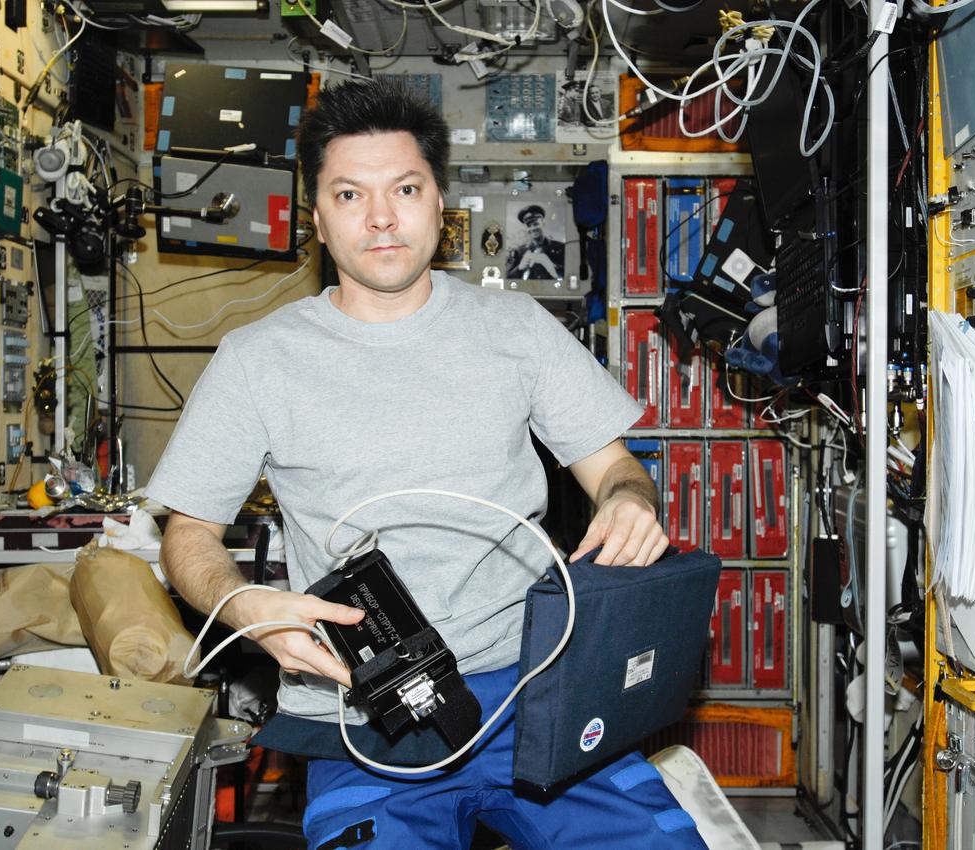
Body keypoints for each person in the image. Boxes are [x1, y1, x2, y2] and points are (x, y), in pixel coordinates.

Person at [147, 80, 704, 850]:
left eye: (404, 189)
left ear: (439, 204)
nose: (381, 217)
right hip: (364, 709)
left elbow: (615, 469)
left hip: (533, 687)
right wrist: (244, 608)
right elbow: (187, 535)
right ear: (317, 218)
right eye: (350, 194)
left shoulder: (517, 330)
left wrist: (629, 501)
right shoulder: (257, 360)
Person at [505, 204, 566, 280]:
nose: (532, 228)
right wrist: (519, 268)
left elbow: (571, 275)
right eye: (528, 226)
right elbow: (507, 278)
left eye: (536, 224)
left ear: (543, 223)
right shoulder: (519, 251)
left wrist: (550, 265)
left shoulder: (561, 248)